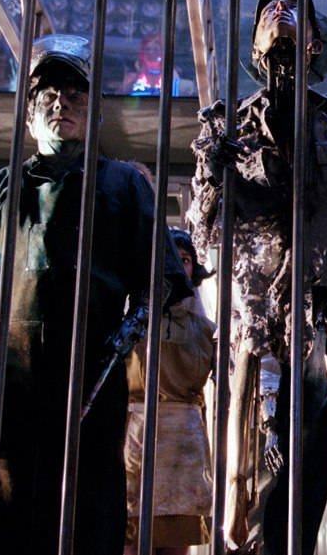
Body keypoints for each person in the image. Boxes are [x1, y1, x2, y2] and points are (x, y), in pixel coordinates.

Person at [0, 34, 190, 555]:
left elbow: (160, 277)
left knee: (80, 532)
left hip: (88, 401)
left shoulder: (124, 187)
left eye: (74, 93)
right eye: (48, 93)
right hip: (1, 405)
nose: (61, 102)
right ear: (29, 115)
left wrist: (138, 316)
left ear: (94, 113)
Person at [187, 0, 327, 554]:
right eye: (268, 11)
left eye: (293, 8)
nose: (280, 13)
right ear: (254, 44)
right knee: (251, 492)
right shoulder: (227, 127)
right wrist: (213, 176)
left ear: (315, 41)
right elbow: (202, 235)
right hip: (257, 335)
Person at [123, 228, 215, 555]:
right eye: (170, 257)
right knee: (130, 537)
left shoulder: (206, 331)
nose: (177, 265)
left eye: (185, 259)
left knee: (177, 538)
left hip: (183, 447)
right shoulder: (131, 324)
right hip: (137, 438)